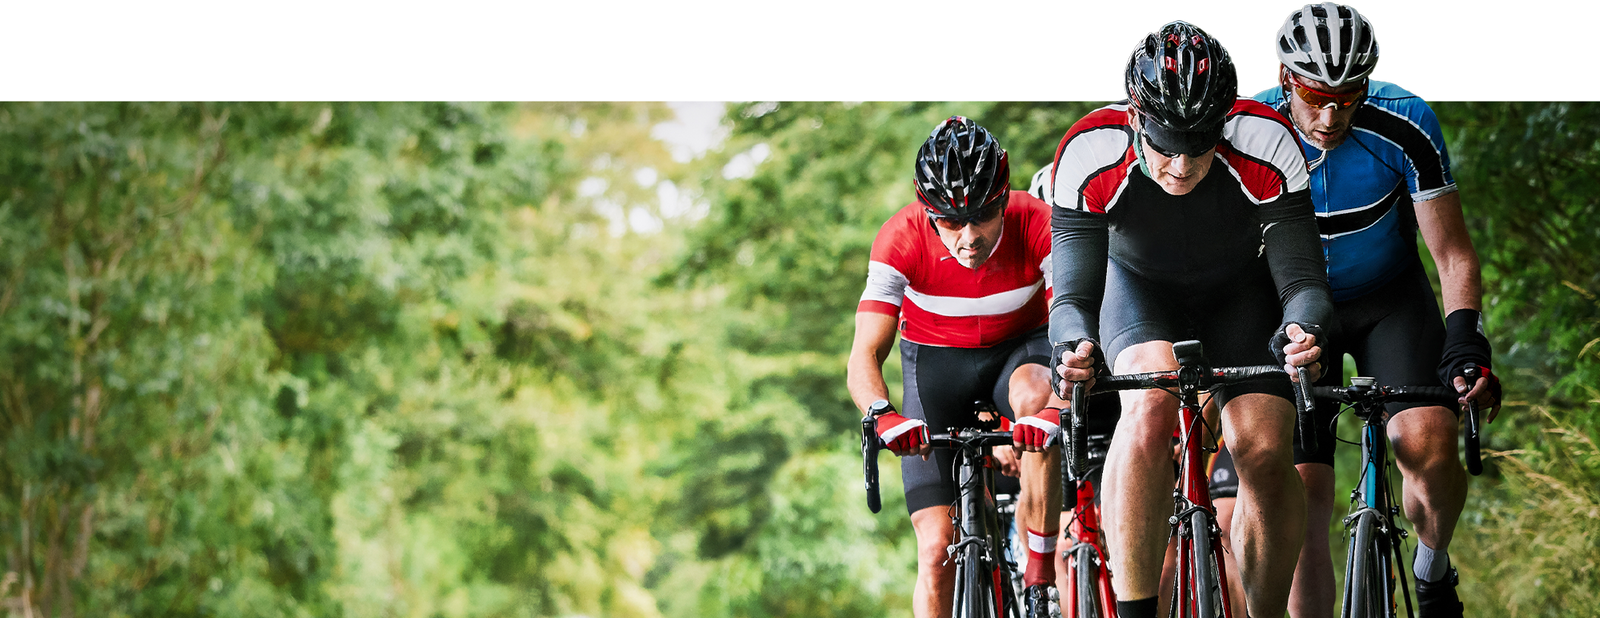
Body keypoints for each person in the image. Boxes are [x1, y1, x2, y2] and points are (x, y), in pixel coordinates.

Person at [1041, 18, 1332, 618]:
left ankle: (1265, 611)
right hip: (1139, 293)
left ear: (1224, 124)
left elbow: (1303, 282)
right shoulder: (1090, 150)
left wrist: (1303, 329)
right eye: (1164, 143)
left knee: (1262, 452)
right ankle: (1136, 607)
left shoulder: (1266, 140)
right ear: (1135, 116)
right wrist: (1071, 346)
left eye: (1199, 144)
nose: (1180, 164)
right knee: (1147, 406)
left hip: (1240, 297)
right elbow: (1071, 298)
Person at [1252, 4, 1504, 617]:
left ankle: (1432, 565)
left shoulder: (1405, 118)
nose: (1332, 114)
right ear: (1286, 78)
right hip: (1291, 307)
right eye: (1316, 95)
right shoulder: (1251, 126)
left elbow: (1451, 254)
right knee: (1303, 492)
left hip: (1389, 298)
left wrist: (1465, 342)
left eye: (1349, 95)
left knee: (1429, 444)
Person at [849, 116, 1114, 618]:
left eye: (984, 214)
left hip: (1020, 355)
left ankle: (1038, 579)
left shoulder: (1038, 220)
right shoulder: (898, 239)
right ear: (926, 211)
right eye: (949, 221)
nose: (968, 236)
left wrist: (1055, 408)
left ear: (1005, 196)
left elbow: (1076, 325)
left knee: (1038, 400)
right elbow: (864, 355)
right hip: (935, 373)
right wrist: (883, 414)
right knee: (934, 550)